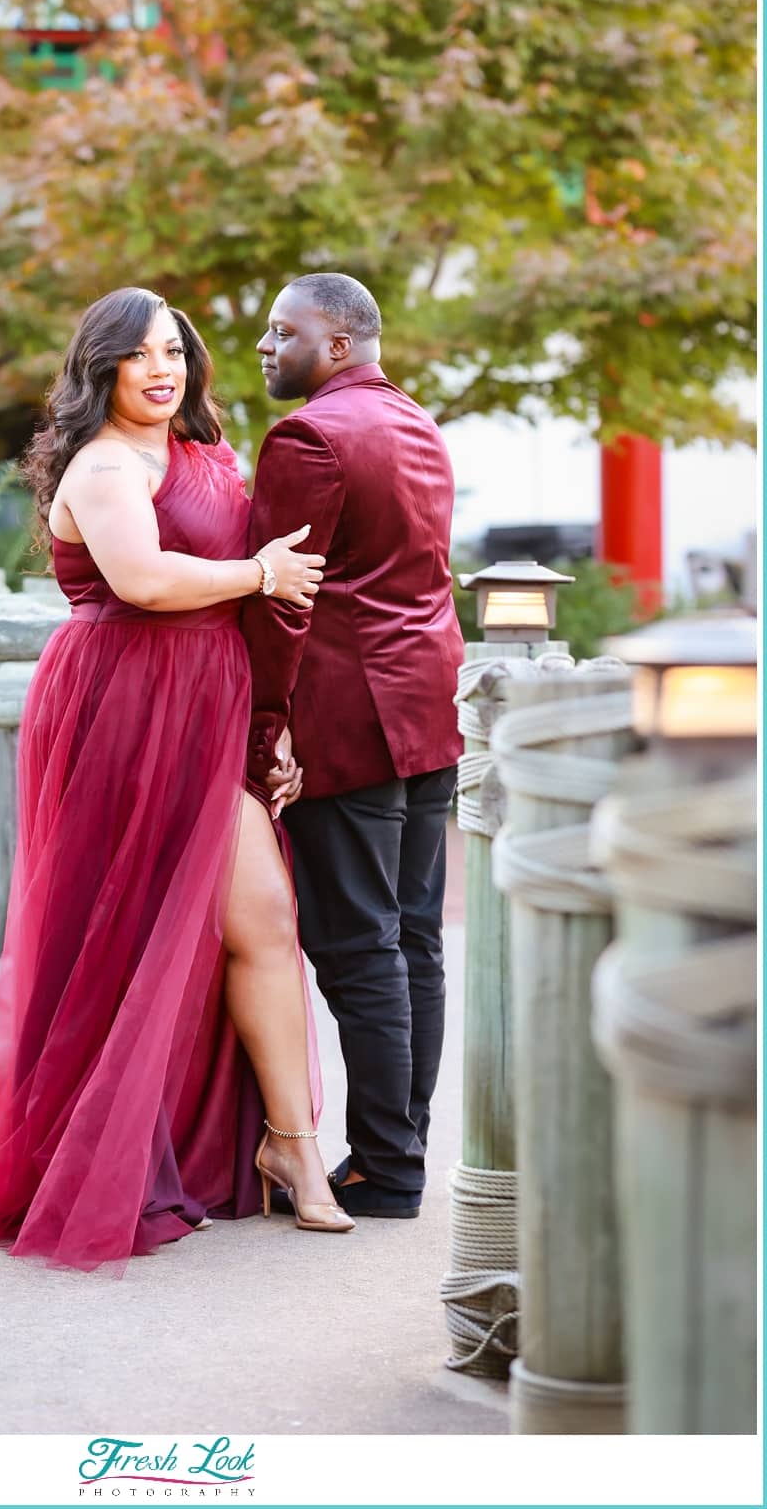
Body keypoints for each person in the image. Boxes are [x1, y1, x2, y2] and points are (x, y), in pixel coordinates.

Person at [0, 287, 354, 1269]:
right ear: (102, 369)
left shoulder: (207, 456)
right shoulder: (104, 465)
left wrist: (268, 732)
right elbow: (147, 580)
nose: (164, 371)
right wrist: (257, 576)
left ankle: (294, 1149)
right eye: (141, 356)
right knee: (110, 935)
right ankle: (86, 1152)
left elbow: (254, 598)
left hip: (210, 705)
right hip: (118, 710)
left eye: (176, 353)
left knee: (263, 922)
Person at [243, 273, 464, 1221]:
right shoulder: (417, 421)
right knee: (413, 936)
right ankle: (397, 1155)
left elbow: (283, 597)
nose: (264, 345)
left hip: (351, 718)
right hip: (428, 708)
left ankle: (387, 1165)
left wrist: (263, 725)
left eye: (283, 331)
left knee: (358, 945)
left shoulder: (308, 436)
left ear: (335, 346)